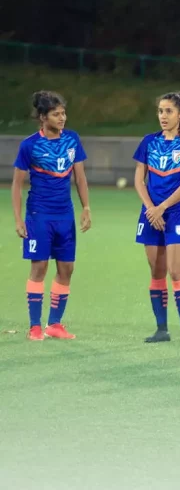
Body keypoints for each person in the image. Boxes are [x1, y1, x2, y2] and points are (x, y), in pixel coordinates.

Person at [12, 91, 91, 341]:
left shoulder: (72, 140)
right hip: (39, 215)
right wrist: (18, 219)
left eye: (63, 113)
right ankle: (35, 326)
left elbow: (79, 177)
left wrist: (86, 207)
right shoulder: (29, 145)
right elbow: (16, 185)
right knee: (40, 267)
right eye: (56, 114)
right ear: (43, 117)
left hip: (65, 215)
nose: (62, 118)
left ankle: (54, 324)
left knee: (67, 268)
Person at [134, 91, 180, 344]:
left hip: (177, 212)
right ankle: (161, 329)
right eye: (161, 111)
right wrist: (151, 208)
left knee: (175, 271)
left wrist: (161, 207)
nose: (163, 116)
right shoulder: (148, 141)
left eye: (169, 111)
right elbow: (138, 179)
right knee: (157, 271)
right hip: (151, 212)